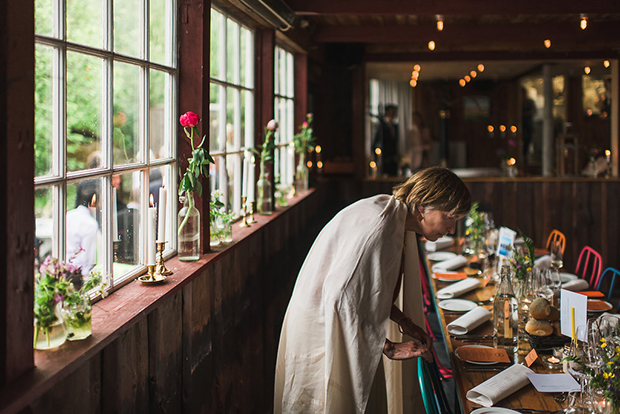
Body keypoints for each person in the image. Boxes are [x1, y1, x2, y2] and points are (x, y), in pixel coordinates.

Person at [274, 167, 472, 413]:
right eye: (450, 217)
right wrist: (389, 347)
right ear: (423, 206)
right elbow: (341, 296)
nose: (452, 229)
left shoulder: (396, 215)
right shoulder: (381, 226)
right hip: (319, 323)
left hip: (332, 315)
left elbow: (367, 289)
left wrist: (403, 320)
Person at [372, 105, 399, 176]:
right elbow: (375, 142)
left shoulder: (395, 126)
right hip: (383, 159)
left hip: (392, 159)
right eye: (391, 112)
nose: (393, 114)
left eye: (394, 112)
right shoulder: (381, 126)